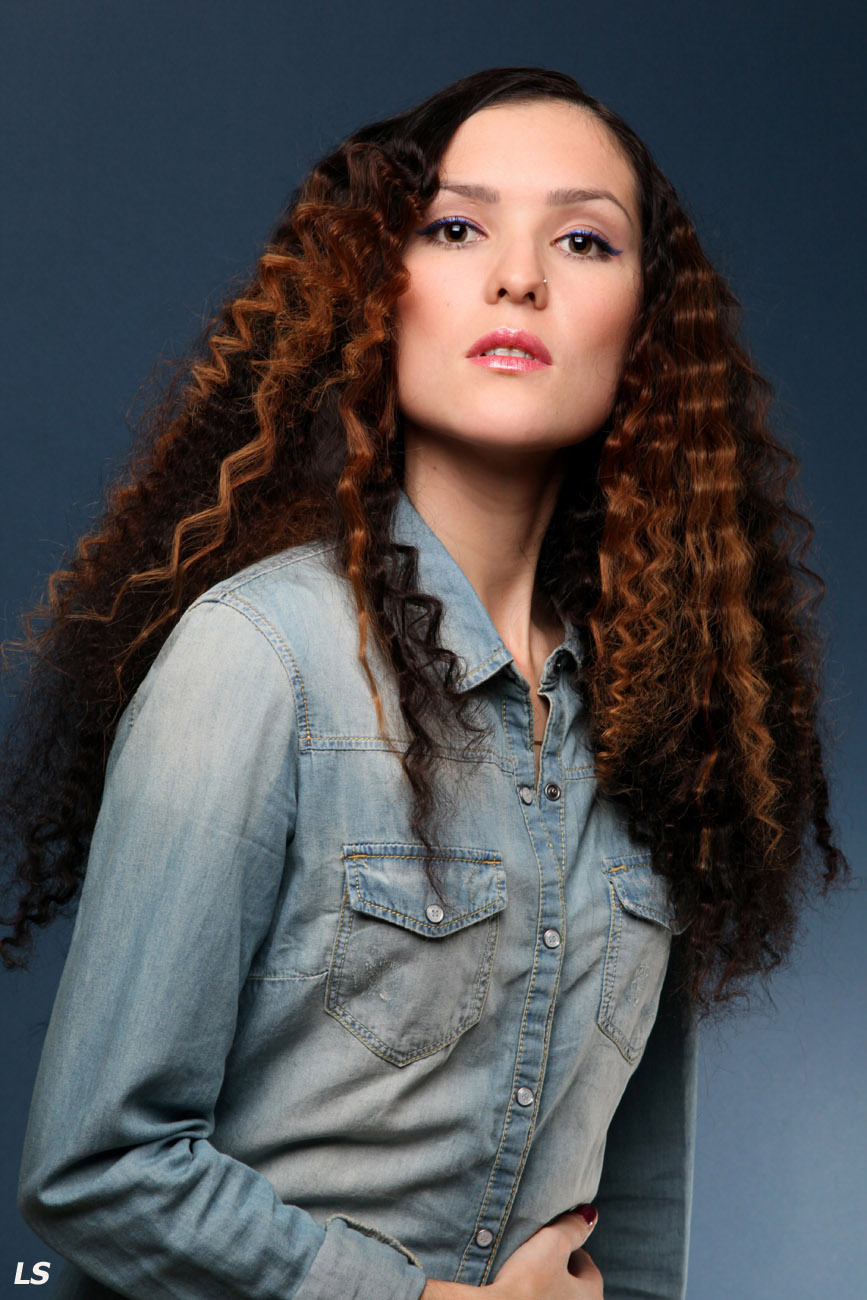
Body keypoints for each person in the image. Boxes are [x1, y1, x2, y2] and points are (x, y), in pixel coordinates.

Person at [1, 67, 847, 1300]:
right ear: (375, 290)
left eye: (582, 239)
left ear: (648, 335)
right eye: (456, 228)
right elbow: (97, 1172)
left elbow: (629, 1225)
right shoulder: (259, 659)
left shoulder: (662, 727)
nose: (520, 277)